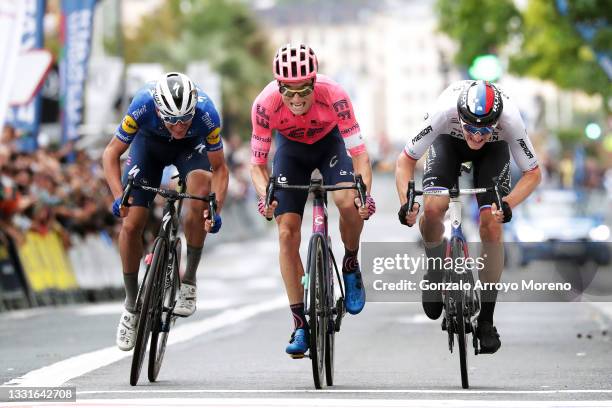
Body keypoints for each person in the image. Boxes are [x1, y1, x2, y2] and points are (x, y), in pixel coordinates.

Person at [395, 80, 541, 354]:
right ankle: (436, 269)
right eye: (470, 127)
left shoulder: (510, 120)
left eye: (485, 128)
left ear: (497, 121)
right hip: (447, 144)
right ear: (459, 116)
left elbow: (534, 174)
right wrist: (406, 203)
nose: (476, 135)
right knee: (434, 207)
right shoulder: (443, 111)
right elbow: (404, 161)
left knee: (492, 226)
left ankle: (486, 320)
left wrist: (507, 204)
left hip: (494, 153)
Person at [250, 43, 376, 358]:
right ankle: (299, 324)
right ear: (278, 86)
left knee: (347, 201)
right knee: (286, 232)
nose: (295, 100)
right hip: (291, 152)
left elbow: (360, 156)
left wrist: (365, 196)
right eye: (287, 92)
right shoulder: (265, 105)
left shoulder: (334, 95)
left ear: (314, 82)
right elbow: (257, 164)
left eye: (303, 91)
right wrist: (265, 196)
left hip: (330, 146)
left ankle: (349, 261)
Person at [103, 72, 229, 351]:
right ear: (159, 110)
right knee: (132, 222)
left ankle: (189, 280)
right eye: (171, 120)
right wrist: (117, 197)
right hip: (149, 147)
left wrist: (215, 208)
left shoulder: (207, 114)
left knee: (199, 189)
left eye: (185, 119)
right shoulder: (142, 105)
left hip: (190, 151)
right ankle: (131, 305)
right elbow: (111, 154)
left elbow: (220, 168)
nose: (179, 126)